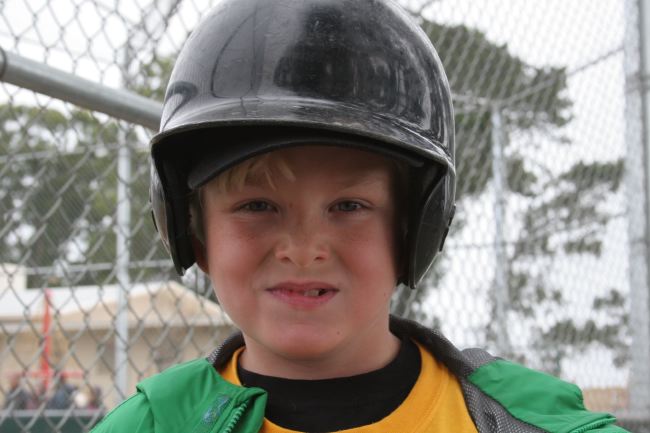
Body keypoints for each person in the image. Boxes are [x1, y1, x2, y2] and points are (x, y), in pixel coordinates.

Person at [92, 0, 629, 432]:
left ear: (414, 230)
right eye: (257, 206)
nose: (303, 249)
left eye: (348, 206)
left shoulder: (519, 423)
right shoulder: (153, 424)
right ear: (192, 230)